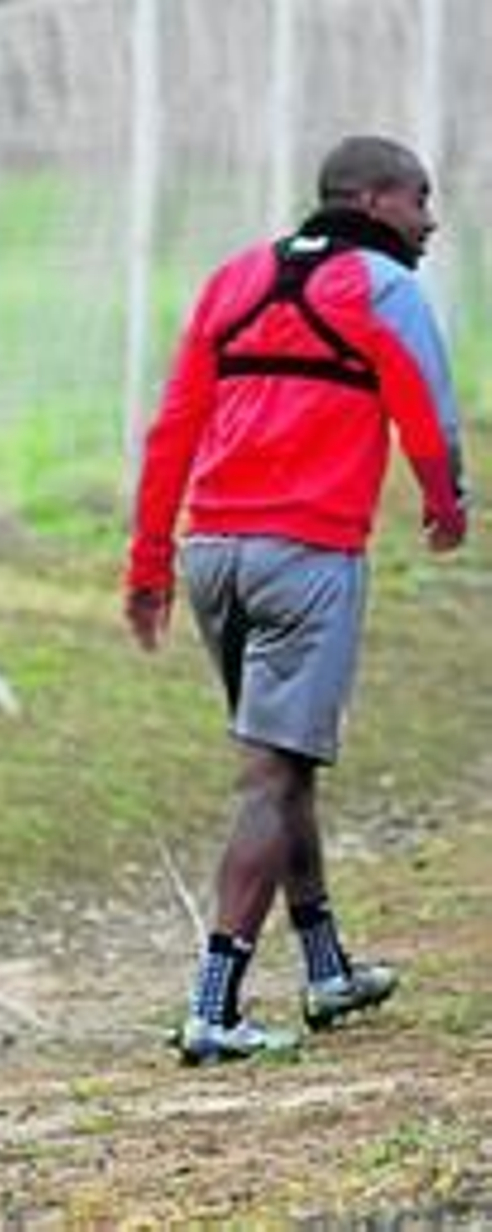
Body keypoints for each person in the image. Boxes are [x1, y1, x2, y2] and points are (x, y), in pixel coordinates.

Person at [124, 134, 467, 1065]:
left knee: (287, 762)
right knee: (272, 778)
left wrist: (150, 558)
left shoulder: (236, 277)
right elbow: (426, 411)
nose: (429, 221)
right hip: (307, 557)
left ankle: (326, 969)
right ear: (367, 199)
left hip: (214, 557)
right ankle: (213, 1006)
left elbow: (174, 428)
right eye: (417, 200)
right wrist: (447, 501)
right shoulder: (384, 289)